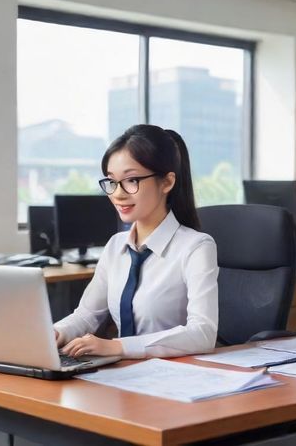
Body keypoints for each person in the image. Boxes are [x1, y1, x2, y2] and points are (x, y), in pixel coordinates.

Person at [53, 124, 219, 358]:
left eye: (131, 180)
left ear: (167, 182)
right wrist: (55, 332)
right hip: (121, 376)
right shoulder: (115, 246)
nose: (118, 193)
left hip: (175, 379)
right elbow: (87, 315)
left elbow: (203, 334)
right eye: (111, 181)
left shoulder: (196, 247)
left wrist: (118, 347)